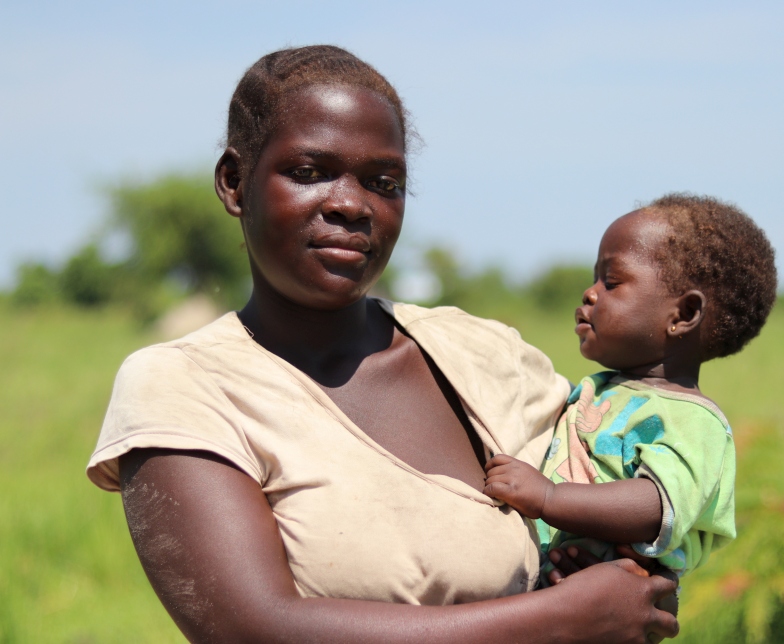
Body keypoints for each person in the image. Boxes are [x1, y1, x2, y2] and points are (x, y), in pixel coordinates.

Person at [86, 45, 680, 642]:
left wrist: (636, 577)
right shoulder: (186, 387)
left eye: (383, 182)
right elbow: (255, 628)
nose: (351, 204)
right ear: (235, 183)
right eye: (309, 172)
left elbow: (646, 514)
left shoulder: (485, 354)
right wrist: (565, 618)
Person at [483, 195, 777, 582]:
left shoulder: (693, 421)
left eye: (612, 281)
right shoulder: (603, 389)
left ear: (684, 314)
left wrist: (547, 498)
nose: (590, 293)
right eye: (594, 279)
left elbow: (657, 505)